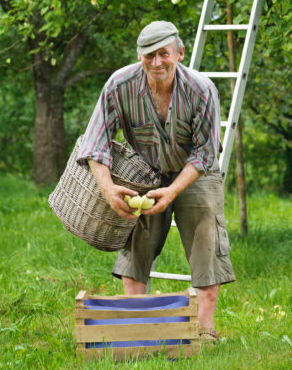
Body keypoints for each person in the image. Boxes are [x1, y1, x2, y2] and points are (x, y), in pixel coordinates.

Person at [77, 20, 235, 342]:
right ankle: (134, 326)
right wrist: (108, 190)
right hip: (146, 170)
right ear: (140, 57)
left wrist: (174, 190)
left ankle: (204, 331)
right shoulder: (118, 86)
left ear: (179, 53)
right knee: (136, 237)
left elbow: (206, 155)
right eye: (149, 55)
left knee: (206, 230)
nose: (156, 62)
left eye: (163, 54)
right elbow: (95, 144)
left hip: (195, 172)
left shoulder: (202, 90)